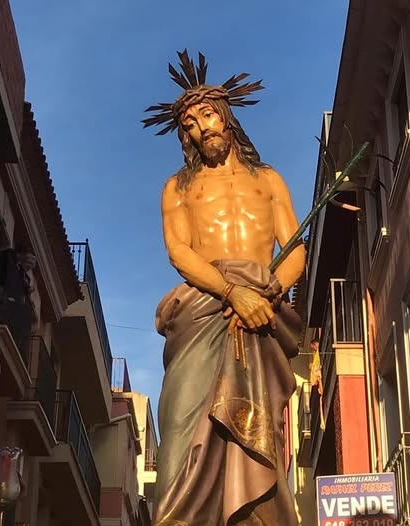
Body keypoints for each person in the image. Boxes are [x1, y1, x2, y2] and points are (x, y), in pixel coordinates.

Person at [143, 50, 305, 526]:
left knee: (256, 432)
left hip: (258, 316)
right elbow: (179, 252)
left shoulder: (268, 180)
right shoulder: (178, 187)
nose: (201, 128)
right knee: (180, 428)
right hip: (202, 313)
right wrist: (234, 294)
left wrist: (266, 296)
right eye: (190, 125)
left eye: (208, 116)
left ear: (226, 116)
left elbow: (295, 249)